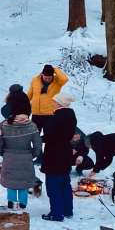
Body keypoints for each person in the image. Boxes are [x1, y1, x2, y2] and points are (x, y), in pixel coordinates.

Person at [0, 92, 41, 209]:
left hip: (9, 157)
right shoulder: (32, 126)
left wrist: (4, 153)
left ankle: (11, 203)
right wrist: (31, 155)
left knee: (11, 183)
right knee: (23, 183)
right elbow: (38, 146)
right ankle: (22, 205)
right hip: (26, 158)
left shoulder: (4, 125)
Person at [41, 93, 77, 222]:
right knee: (65, 184)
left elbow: (50, 134)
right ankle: (67, 210)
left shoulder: (56, 117)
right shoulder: (71, 116)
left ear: (59, 103)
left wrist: (41, 138)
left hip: (54, 154)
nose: (53, 103)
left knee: (53, 186)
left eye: (55, 101)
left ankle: (56, 214)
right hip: (65, 152)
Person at [27, 64, 69, 132]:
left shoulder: (57, 82)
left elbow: (65, 79)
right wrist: (23, 103)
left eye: (49, 78)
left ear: (53, 75)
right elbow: (30, 94)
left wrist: (54, 69)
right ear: (42, 74)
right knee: (34, 134)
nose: (47, 79)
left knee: (49, 135)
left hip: (50, 114)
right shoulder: (35, 80)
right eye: (45, 77)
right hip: (36, 114)